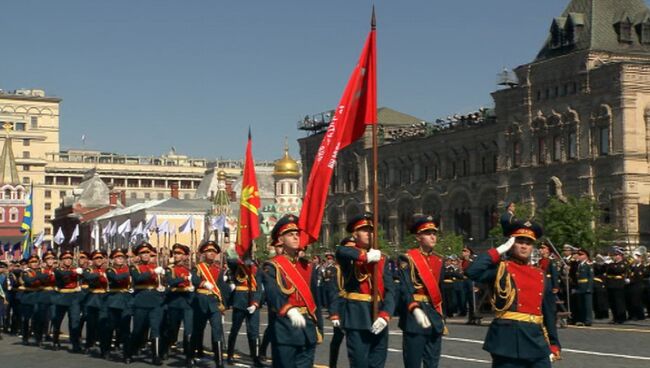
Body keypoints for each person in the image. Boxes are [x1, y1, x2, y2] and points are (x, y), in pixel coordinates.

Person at [466, 220, 561, 367]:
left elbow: (549, 312)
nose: (524, 246)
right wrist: (499, 250)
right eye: (519, 241)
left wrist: (554, 343)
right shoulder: (500, 269)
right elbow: (472, 271)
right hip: (507, 340)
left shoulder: (541, 275)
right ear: (511, 244)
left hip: (536, 340)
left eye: (528, 243)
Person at [261, 214, 323, 368]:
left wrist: (319, 327)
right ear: (281, 240)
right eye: (290, 234)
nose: (296, 237)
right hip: (285, 329)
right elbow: (272, 293)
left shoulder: (308, 267)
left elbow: (316, 300)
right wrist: (288, 310)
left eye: (297, 234)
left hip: (307, 329)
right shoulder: (272, 266)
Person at [335, 212, 395, 368]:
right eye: (364, 230)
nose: (370, 233)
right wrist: (366, 257)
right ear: (355, 234)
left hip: (379, 316)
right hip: (357, 316)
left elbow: (391, 290)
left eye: (372, 230)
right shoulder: (350, 255)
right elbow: (341, 251)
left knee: (377, 363)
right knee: (359, 364)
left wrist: (385, 315)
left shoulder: (383, 258)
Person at [397, 215, 446, 368]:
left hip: (434, 315)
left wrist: (442, 315)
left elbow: (441, 292)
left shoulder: (439, 261)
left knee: (432, 364)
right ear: (418, 237)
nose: (433, 236)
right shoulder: (408, 259)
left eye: (434, 233)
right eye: (428, 233)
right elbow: (405, 288)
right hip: (414, 317)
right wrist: (414, 308)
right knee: (413, 363)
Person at [191, 240, 229, 368]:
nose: (211, 253)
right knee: (197, 330)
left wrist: (223, 304)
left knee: (217, 329)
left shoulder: (218, 269)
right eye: (208, 251)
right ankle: (190, 356)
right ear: (203, 253)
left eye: (213, 251)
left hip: (214, 303)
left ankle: (219, 360)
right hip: (201, 302)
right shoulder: (198, 267)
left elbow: (221, 288)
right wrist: (203, 283)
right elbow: (195, 280)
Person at [130, 242, 166, 365]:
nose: (145, 255)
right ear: (139, 255)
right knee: (138, 329)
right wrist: (153, 272)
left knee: (155, 328)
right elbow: (138, 279)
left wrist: (163, 282)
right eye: (143, 253)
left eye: (147, 253)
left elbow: (164, 283)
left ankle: (156, 355)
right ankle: (131, 351)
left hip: (155, 301)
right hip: (141, 300)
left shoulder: (156, 266)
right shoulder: (135, 267)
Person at [226, 255, 263, 366]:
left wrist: (256, 303)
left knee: (254, 331)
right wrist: (240, 258)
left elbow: (259, 289)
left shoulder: (256, 269)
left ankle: (256, 357)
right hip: (239, 302)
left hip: (253, 303)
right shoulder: (237, 266)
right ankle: (230, 354)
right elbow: (229, 260)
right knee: (234, 330)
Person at [163, 243, 195, 367]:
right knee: (172, 329)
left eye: (179, 253)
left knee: (189, 329)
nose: (176, 255)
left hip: (188, 302)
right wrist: (184, 278)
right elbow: (170, 281)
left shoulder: (190, 269)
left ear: (186, 256)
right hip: (174, 301)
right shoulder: (169, 269)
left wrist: (193, 285)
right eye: (175, 253)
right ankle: (165, 348)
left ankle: (189, 355)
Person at [326, 237, 353, 368]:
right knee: (337, 339)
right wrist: (334, 313)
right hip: (341, 307)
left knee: (355, 342)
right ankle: (332, 364)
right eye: (348, 248)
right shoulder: (335, 270)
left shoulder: (359, 266)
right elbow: (333, 293)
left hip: (355, 308)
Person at [51, 250, 83, 353]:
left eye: (70, 259)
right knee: (57, 320)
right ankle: (55, 340)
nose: (68, 260)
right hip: (61, 296)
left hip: (73, 297)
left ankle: (75, 343)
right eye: (66, 259)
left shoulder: (76, 269)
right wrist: (75, 272)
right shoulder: (57, 269)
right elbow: (62, 275)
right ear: (61, 260)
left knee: (75, 320)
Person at [105, 248, 133, 363]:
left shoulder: (128, 269)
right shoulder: (110, 270)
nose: (120, 259)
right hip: (114, 301)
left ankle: (127, 354)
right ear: (113, 259)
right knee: (111, 327)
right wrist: (130, 272)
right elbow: (116, 279)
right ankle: (106, 349)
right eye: (117, 257)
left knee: (125, 329)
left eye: (122, 257)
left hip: (126, 301)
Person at [83, 250, 110, 357]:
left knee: (104, 325)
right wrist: (100, 274)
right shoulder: (89, 270)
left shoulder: (107, 270)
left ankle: (104, 348)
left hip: (104, 298)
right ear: (92, 260)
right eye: (96, 258)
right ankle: (89, 344)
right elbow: (88, 277)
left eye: (100, 258)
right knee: (91, 325)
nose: (99, 260)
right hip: (93, 299)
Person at [571, 247, 593, 326]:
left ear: (585, 256)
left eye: (581, 255)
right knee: (581, 304)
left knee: (587, 305)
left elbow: (590, 277)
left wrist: (589, 288)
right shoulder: (579, 265)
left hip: (586, 285)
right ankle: (582, 319)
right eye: (578, 255)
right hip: (580, 286)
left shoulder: (588, 265)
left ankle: (588, 320)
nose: (579, 256)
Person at [605, 246, 628, 324]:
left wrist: (610, 265)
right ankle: (615, 317)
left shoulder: (623, 264)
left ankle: (621, 318)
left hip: (619, 285)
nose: (614, 256)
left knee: (619, 302)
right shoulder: (611, 264)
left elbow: (617, 270)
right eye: (613, 255)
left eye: (615, 255)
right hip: (611, 284)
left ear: (620, 255)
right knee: (612, 302)